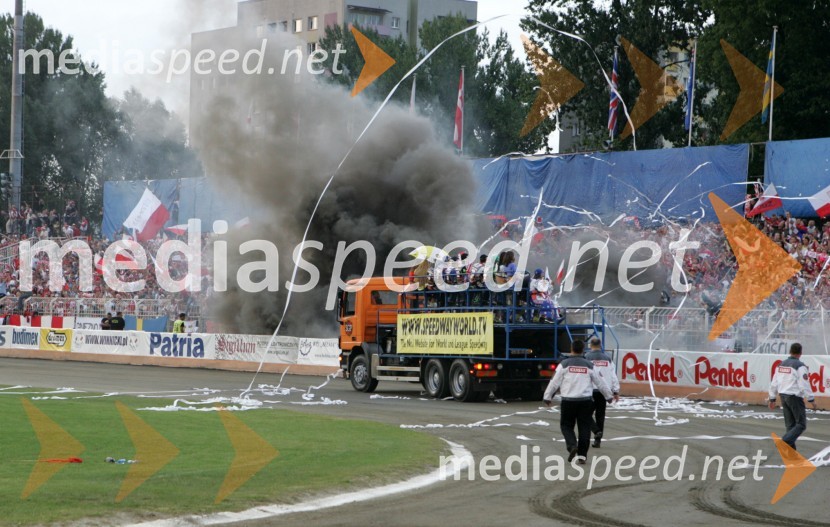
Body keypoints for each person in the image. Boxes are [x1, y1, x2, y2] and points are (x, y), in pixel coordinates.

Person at [544, 340, 614, 464]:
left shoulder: (564, 364)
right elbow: (600, 382)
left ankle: (572, 445)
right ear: (583, 350)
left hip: (568, 401)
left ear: (571, 349)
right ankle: (582, 456)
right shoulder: (589, 365)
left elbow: (555, 382)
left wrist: (548, 396)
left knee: (566, 425)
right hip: (585, 401)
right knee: (584, 429)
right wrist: (608, 396)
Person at [769, 342, 817, 451]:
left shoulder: (780, 365)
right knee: (801, 424)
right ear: (800, 353)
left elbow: (774, 383)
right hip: (794, 397)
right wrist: (811, 399)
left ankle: (792, 455)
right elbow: (804, 384)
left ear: (790, 351)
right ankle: (783, 442)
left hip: (783, 396)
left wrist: (772, 398)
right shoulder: (800, 366)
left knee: (790, 427)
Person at [585, 336, 620, 448]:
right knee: (600, 415)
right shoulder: (607, 358)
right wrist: (615, 391)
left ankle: (595, 430)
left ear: (590, 345)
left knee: (585, 415)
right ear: (600, 345)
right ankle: (598, 440)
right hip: (604, 391)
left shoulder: (586, 357)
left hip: (590, 390)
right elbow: (613, 375)